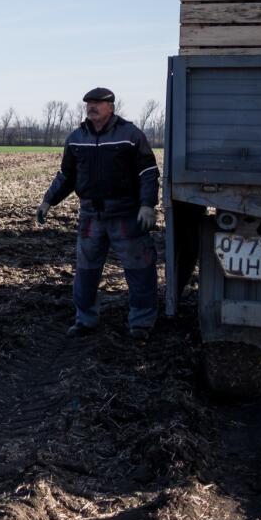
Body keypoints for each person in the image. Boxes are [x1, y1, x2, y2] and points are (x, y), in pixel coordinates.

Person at [36, 87, 160, 339]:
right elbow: (67, 176)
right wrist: (48, 201)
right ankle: (85, 319)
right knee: (86, 270)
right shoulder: (76, 138)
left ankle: (141, 322)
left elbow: (148, 172)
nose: (91, 107)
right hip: (91, 214)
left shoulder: (130, 135)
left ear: (111, 107)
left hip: (125, 214)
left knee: (139, 269)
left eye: (97, 103)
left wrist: (148, 205)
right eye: (88, 104)